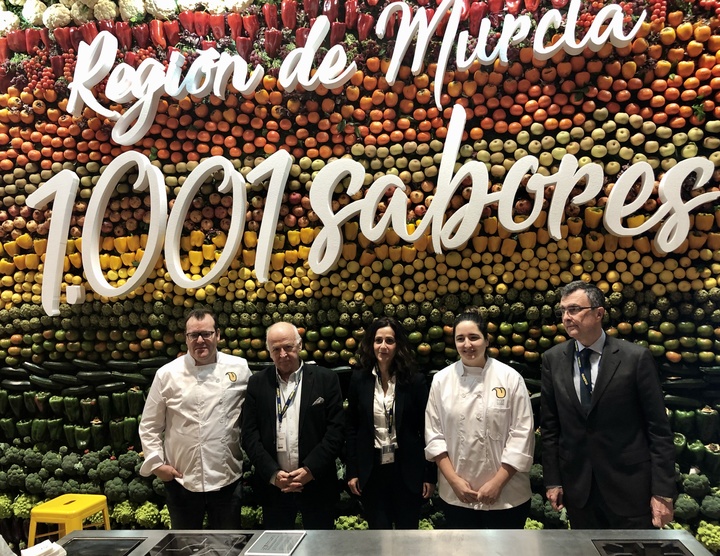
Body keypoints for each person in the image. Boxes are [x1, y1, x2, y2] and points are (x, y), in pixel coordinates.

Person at [541, 280, 676, 529]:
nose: (566, 317)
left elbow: (658, 429)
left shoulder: (635, 358)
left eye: (574, 309)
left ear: (599, 312)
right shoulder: (553, 360)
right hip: (579, 489)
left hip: (629, 487)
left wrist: (663, 491)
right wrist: (553, 481)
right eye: (562, 311)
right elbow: (550, 427)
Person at [138, 307, 250, 529]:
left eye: (206, 334)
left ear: (217, 335)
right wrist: (157, 464)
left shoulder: (239, 367)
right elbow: (150, 424)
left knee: (227, 546)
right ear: (185, 338)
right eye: (193, 335)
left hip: (227, 478)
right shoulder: (167, 374)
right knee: (185, 545)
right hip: (182, 480)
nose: (200, 340)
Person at [425, 308, 534, 529]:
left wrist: (497, 483)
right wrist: (454, 482)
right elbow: (434, 437)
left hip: (507, 496)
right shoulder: (441, 380)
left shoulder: (510, 378)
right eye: (460, 339)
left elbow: (522, 434)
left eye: (474, 337)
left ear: (487, 340)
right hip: (457, 495)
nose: (467, 344)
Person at [242, 322, 344, 530]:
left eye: (287, 347)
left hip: (317, 485)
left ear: (299, 345)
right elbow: (249, 435)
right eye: (275, 349)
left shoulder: (326, 379)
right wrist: (273, 474)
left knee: (320, 549)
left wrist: (310, 470)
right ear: (269, 352)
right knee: (278, 547)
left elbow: (336, 431)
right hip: (274, 489)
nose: (282, 354)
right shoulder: (257, 383)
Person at [345, 317, 437, 529]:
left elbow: (428, 429)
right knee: (379, 535)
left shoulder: (414, 380)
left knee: (407, 535)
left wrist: (429, 474)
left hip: (406, 469)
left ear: (399, 345)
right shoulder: (360, 378)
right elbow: (352, 427)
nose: (383, 346)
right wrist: (353, 470)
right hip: (372, 469)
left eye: (389, 341)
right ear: (371, 344)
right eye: (378, 340)